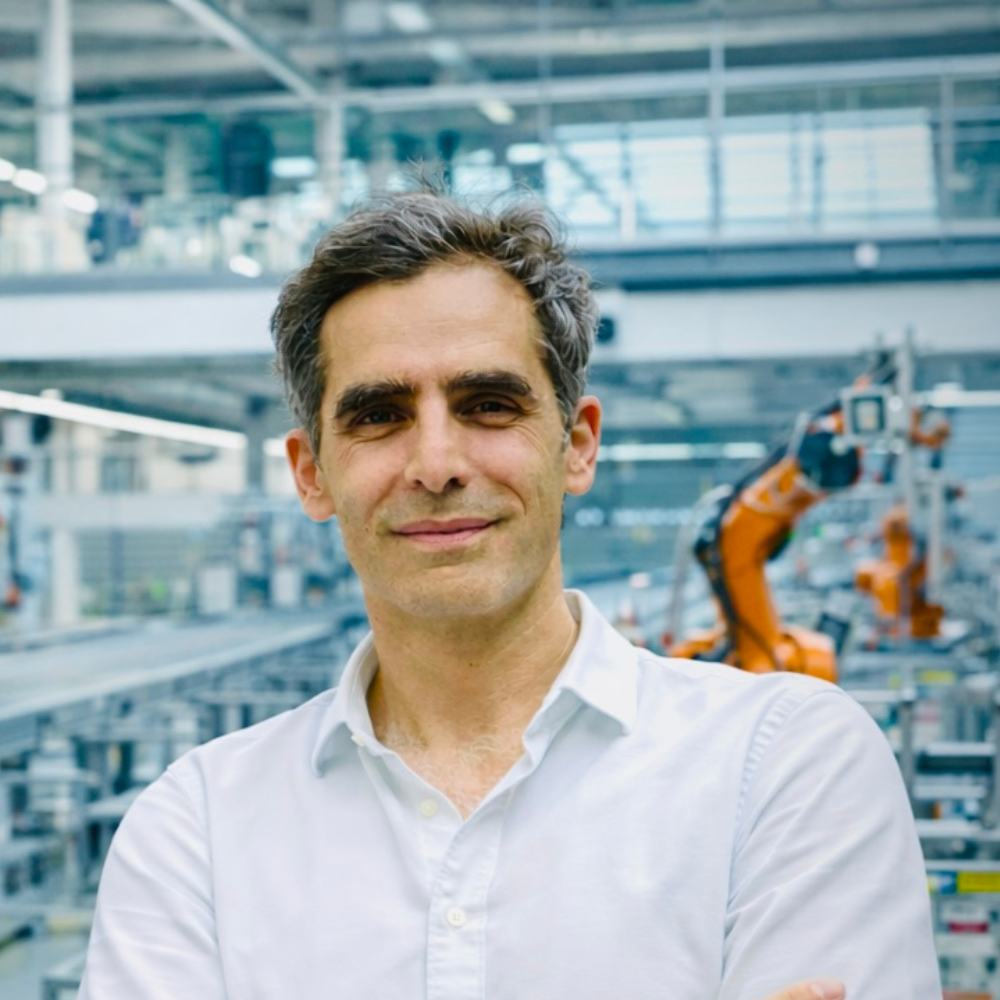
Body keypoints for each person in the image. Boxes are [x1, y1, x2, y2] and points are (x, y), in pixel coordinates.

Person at [78, 192, 940, 1000]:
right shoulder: (196, 832)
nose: (437, 464)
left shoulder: (787, 767)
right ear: (311, 474)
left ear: (577, 445)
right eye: (378, 415)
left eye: (488, 404)